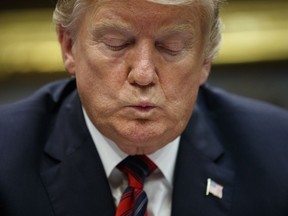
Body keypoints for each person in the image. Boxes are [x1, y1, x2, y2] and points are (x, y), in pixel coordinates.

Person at [0, 0, 288, 215]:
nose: (143, 74)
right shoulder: (7, 161)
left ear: (206, 58)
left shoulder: (277, 155)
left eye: (171, 47)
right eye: (116, 43)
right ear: (68, 45)